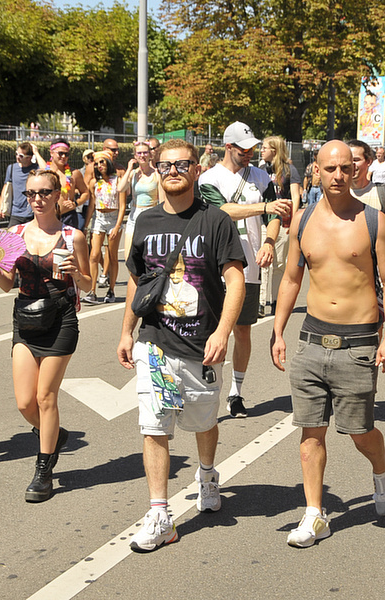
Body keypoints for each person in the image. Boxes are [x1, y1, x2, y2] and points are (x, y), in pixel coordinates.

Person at [271, 140, 385, 548]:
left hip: (358, 344)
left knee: (360, 433)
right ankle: (315, 514)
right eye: (330, 168)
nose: (338, 176)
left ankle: (382, 468)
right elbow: (291, 278)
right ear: (317, 170)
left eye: (345, 168)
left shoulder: (374, 222)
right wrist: (277, 331)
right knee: (310, 435)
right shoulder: (302, 220)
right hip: (312, 339)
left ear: (356, 170)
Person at [117, 139, 246, 552]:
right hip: (155, 341)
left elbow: (235, 281)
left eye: (182, 164)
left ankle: (207, 474)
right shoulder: (146, 220)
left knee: (203, 421)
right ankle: (160, 513)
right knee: (154, 425)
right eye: (166, 165)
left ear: (196, 170)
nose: (173, 171)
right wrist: (127, 331)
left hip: (201, 344)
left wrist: (222, 332)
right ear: (157, 170)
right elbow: (137, 280)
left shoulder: (216, 221)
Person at [0, 169, 93, 501]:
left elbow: (89, 285)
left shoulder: (73, 236)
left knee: (45, 397)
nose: (37, 199)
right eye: (31, 193)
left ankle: (44, 470)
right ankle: (54, 433)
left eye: (44, 192)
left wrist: (76, 273)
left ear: (58, 195)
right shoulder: (14, 234)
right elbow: (7, 285)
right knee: (24, 402)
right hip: (26, 319)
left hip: (61, 319)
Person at [199, 121, 292, 418]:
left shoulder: (261, 177)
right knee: (212, 329)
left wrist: (269, 242)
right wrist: (265, 208)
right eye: (243, 149)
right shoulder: (209, 178)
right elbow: (223, 211)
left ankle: (236, 392)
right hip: (216, 265)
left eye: (252, 148)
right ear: (228, 147)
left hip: (249, 265)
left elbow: (275, 216)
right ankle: (209, 389)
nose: (249, 153)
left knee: (242, 330)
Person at [259, 135, 302, 315]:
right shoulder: (261, 170)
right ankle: (261, 302)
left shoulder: (289, 170)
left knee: (278, 264)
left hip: (283, 221)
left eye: (264, 148)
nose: (261, 151)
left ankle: (276, 300)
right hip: (264, 221)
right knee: (263, 261)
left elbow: (295, 196)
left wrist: (293, 221)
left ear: (274, 150)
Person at [348, 140, 385, 253]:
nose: (352, 165)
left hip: (375, 262)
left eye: (356, 160)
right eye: (348, 160)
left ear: (368, 161)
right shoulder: (333, 195)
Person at [84, 152, 126, 303]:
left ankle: (111, 290)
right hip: (99, 218)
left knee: (112, 256)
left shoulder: (118, 180)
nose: (99, 165)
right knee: (94, 255)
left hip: (113, 219)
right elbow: (91, 206)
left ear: (108, 162)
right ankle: (92, 291)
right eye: (96, 163)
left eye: (102, 162)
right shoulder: (94, 182)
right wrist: (85, 225)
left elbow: (122, 206)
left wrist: (117, 226)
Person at [118, 141, 159, 255]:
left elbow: (162, 199)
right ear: (135, 156)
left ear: (150, 155)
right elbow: (120, 188)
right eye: (139, 153)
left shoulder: (157, 174)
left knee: (148, 254)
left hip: (151, 214)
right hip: (134, 215)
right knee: (128, 254)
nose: (142, 155)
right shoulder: (133, 173)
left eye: (145, 152)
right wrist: (129, 169)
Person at [48, 139, 90, 230]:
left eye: (66, 154)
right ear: (51, 153)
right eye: (60, 153)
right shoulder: (44, 172)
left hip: (68, 217)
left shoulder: (74, 174)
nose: (63, 156)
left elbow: (86, 193)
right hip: (48, 216)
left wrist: (75, 203)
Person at [2, 142, 44, 227]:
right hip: (16, 213)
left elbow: (47, 170)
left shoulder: (35, 169)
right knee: (10, 235)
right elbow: (6, 187)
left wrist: (36, 152)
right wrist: (2, 206)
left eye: (21, 156)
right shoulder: (11, 168)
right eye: (16, 154)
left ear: (29, 157)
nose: (17, 157)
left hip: (32, 213)